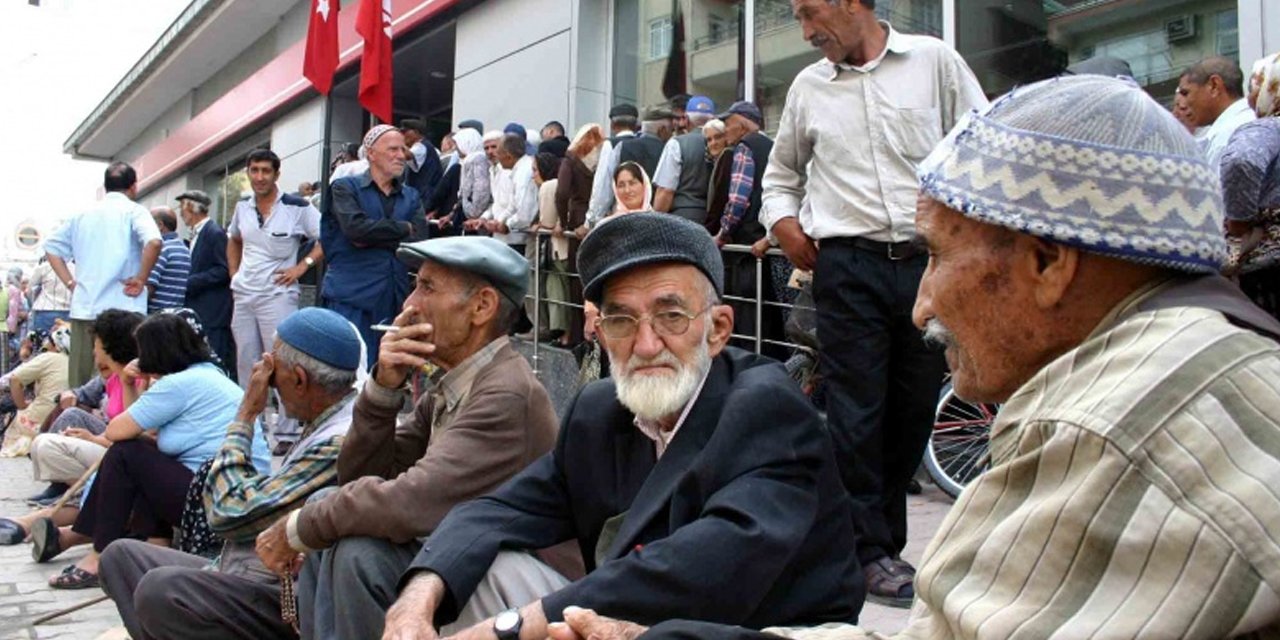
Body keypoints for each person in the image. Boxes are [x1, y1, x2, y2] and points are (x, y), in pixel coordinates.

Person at [551, 72, 1280, 640]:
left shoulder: (1115, 431)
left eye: (934, 255)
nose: (921, 305)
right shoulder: (1182, 362)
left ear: (1049, 261)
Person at [381, 214, 862, 639]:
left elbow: (693, 572)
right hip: (617, 621)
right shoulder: (599, 410)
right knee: (470, 570)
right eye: (622, 320)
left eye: (671, 316)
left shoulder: (766, 408)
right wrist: (418, 597)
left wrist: (509, 628)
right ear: (600, 330)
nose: (646, 344)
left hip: (753, 630)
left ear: (717, 329)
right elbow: (495, 511)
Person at [760, 0, 987, 607]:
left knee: (912, 409)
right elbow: (779, 176)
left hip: (927, 266)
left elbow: (981, 147)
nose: (806, 33)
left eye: (811, 15)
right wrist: (783, 222)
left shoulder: (934, 62)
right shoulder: (809, 88)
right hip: (846, 266)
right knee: (856, 413)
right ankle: (867, 552)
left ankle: (880, 542)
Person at [252, 236, 560, 640]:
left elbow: (410, 502)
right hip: (469, 561)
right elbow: (361, 475)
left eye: (427, 287)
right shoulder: (456, 386)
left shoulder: (506, 394)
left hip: (527, 593)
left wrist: (298, 529)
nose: (408, 304)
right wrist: (383, 387)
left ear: (481, 307)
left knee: (357, 552)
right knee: (330, 512)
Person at [99, 307, 362, 640]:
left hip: (285, 594)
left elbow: (229, 515)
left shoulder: (338, 439)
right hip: (244, 566)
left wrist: (247, 414)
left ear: (298, 379)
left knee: (161, 590)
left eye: (272, 369)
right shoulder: (320, 422)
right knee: (119, 557)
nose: (264, 380)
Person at [45, 161, 162, 388]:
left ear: (105, 186)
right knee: (122, 382)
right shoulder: (135, 212)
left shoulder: (82, 215)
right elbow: (154, 241)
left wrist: (70, 282)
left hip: (85, 306)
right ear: (134, 187)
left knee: (80, 383)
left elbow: (51, 248)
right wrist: (141, 279)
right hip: (124, 309)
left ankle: (78, 420)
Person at [16, 310, 145, 513]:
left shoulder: (139, 379)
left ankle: (82, 495)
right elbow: (84, 395)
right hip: (111, 442)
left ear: (108, 346)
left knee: (55, 433)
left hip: (123, 452)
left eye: (96, 344)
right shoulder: (112, 377)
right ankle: (68, 487)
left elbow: (134, 435)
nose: (93, 351)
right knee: (55, 431)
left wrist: (93, 439)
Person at [324, 125, 429, 363]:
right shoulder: (344, 188)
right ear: (370, 153)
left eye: (403, 149)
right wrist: (401, 228)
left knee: (390, 373)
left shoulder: (411, 196)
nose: (401, 155)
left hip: (395, 297)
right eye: (393, 149)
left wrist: (373, 234)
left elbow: (418, 242)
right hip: (352, 296)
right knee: (348, 369)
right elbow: (355, 230)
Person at [710, 101, 785, 358]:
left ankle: (748, 371)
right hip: (769, 241)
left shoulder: (745, 147)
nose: (725, 130)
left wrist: (723, 232)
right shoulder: (773, 146)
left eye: (728, 124)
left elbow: (739, 199)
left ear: (741, 123)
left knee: (748, 318)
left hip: (747, 247)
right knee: (769, 317)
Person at [1222, 51, 1280, 319]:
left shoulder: (1267, 129)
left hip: (1269, 273)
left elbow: (1241, 162)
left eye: (1254, 88)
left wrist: (1238, 224)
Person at [554, 123, 606, 347]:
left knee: (577, 278)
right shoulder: (604, 158)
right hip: (599, 218)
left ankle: (577, 335)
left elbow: (561, 192)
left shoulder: (571, 160)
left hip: (577, 219)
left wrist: (563, 222)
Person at [586, 108, 675, 227]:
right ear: (662, 130)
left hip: (622, 220)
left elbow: (603, 187)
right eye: (671, 130)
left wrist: (592, 221)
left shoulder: (621, 147)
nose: (672, 134)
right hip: (658, 222)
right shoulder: (669, 151)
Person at [178, 190, 235, 376]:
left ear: (190, 207)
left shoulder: (213, 232)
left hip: (213, 311)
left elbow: (223, 269)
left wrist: (191, 282)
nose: (180, 213)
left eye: (182, 207)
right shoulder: (198, 233)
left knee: (214, 358)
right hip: (202, 309)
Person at [0, 327, 70, 458]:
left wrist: (22, 406)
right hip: (61, 421)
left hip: (40, 421)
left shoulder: (48, 357)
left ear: (56, 345)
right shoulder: (74, 362)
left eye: (49, 340)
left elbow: (14, 379)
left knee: (11, 413)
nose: (45, 343)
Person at [1178, 56, 1255, 168]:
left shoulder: (1225, 139)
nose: (1183, 104)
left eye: (1185, 93)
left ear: (1214, 86)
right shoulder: (1255, 120)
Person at [472, 133, 538, 258]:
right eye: (486, 148)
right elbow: (508, 205)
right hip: (504, 235)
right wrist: (495, 221)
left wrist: (506, 224)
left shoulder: (524, 172)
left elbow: (524, 212)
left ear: (508, 155)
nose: (493, 153)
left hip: (518, 238)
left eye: (495, 149)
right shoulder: (511, 169)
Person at [653, 95, 718, 222]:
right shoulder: (724, 144)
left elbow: (665, 190)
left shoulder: (676, 143)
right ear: (714, 119)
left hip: (682, 217)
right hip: (714, 219)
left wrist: (655, 221)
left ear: (686, 119)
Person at [533, 151, 567, 343]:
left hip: (556, 248)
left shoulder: (548, 186)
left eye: (535, 170)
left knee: (557, 291)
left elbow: (546, 220)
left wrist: (539, 225)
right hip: (563, 247)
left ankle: (562, 333)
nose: (533, 175)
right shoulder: (560, 184)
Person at [427, 128, 482, 235]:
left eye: (458, 144)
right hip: (460, 219)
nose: (456, 148)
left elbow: (440, 193)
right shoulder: (485, 166)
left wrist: (429, 209)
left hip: (461, 223)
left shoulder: (459, 167)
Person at [146, 206, 192, 313]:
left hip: (155, 316)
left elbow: (149, 288)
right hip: (175, 315)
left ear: (160, 225)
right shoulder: (184, 248)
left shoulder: (161, 249)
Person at [459, 130, 501, 227]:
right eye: (486, 148)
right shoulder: (492, 169)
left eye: (494, 147)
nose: (490, 151)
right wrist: (483, 218)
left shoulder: (507, 171)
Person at [400, 118, 445, 208]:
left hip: (424, 197)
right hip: (421, 196)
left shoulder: (421, 146)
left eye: (405, 132)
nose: (403, 135)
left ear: (416, 132)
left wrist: (396, 142)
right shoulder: (420, 146)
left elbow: (406, 155)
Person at [28, 257, 73, 334]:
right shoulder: (74, 267)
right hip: (68, 310)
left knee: (42, 341)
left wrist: (31, 303)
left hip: (45, 309)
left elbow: (30, 288)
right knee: (65, 342)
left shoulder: (44, 267)